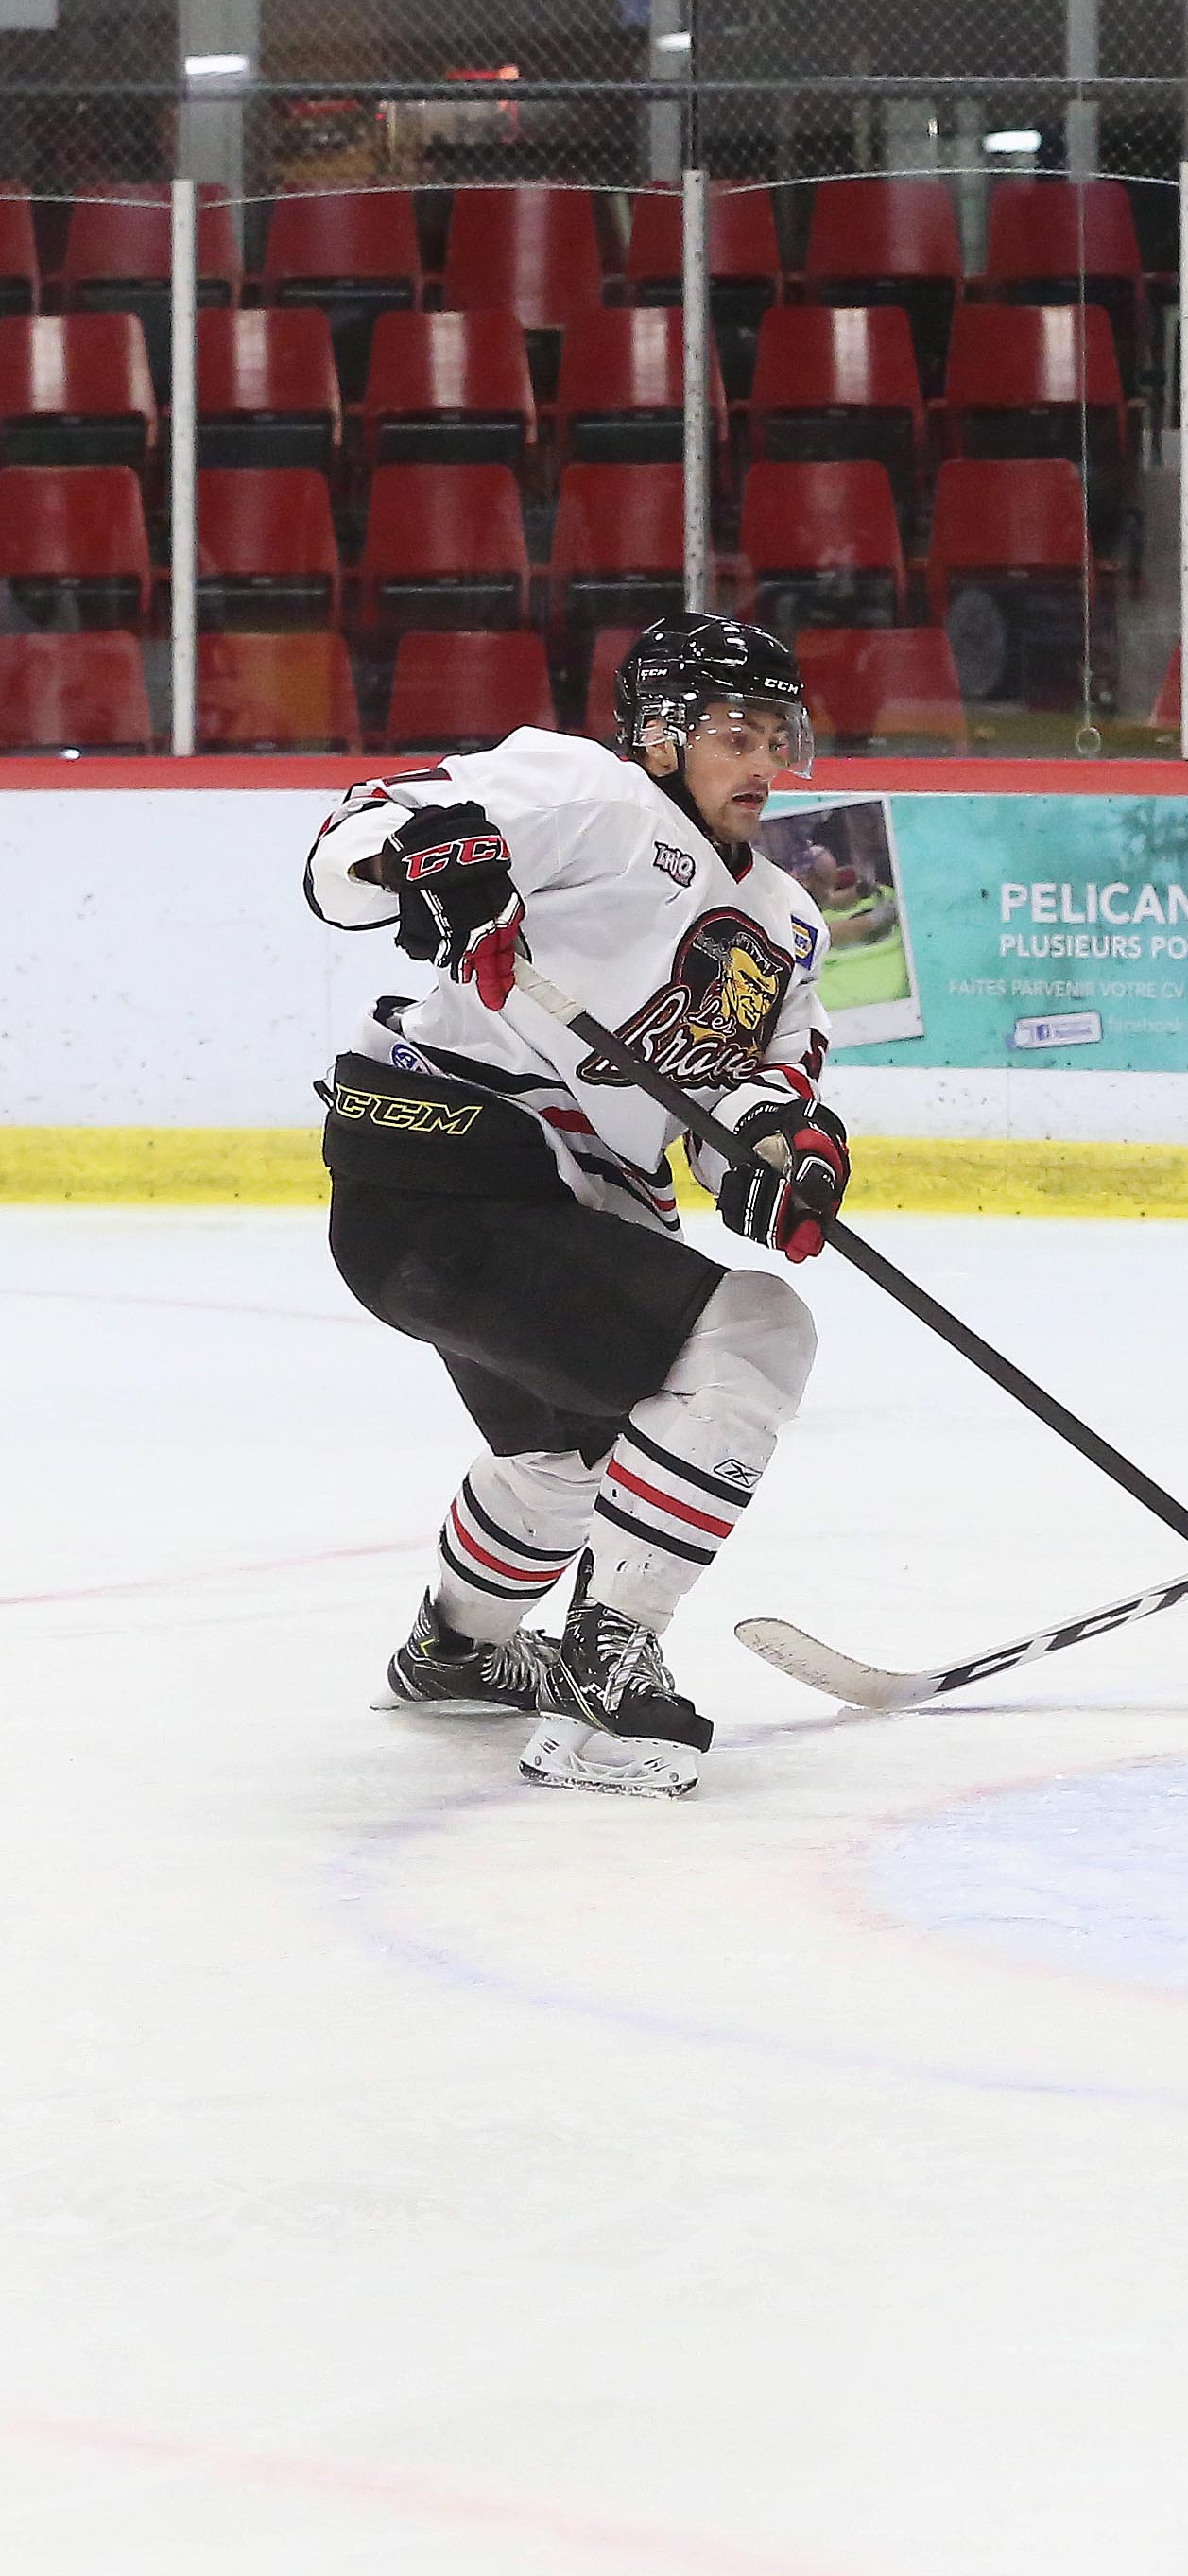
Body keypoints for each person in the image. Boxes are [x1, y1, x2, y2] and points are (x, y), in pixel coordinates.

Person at [299, 612, 844, 1800]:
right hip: (445, 1173)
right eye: (735, 735)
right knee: (757, 1332)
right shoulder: (585, 790)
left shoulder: (787, 924)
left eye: (778, 737)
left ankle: (455, 1651)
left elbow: (765, 1082)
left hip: (542, 1211)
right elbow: (350, 843)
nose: (763, 763)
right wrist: (429, 862)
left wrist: (782, 1149)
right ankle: (606, 1677)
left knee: (568, 1465)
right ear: (657, 736)